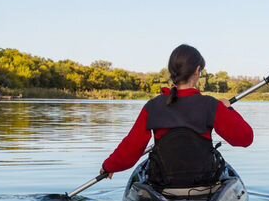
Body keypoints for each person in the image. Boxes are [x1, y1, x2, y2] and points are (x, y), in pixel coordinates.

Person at [100, 44, 253, 189]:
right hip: (204, 182)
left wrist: (109, 166)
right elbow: (245, 138)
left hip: (164, 183)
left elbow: (131, 148)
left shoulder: (153, 106)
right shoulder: (211, 105)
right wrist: (229, 109)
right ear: (197, 70)